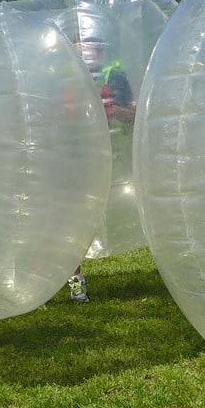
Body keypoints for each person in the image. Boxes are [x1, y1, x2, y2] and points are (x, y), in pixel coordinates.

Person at [66, 31, 137, 304]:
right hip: (72, 161)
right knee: (69, 222)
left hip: (109, 162)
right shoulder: (62, 79)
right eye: (81, 52)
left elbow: (134, 115)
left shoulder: (114, 77)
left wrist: (112, 109)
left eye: (93, 51)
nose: (87, 58)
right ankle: (75, 280)